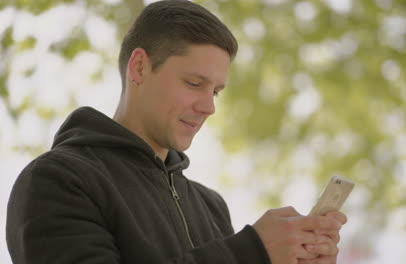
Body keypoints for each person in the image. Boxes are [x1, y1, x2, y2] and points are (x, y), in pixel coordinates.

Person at [6, 0, 347, 263]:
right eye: (194, 83)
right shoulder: (58, 180)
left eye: (215, 91)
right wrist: (250, 252)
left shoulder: (211, 207)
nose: (209, 106)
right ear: (139, 67)